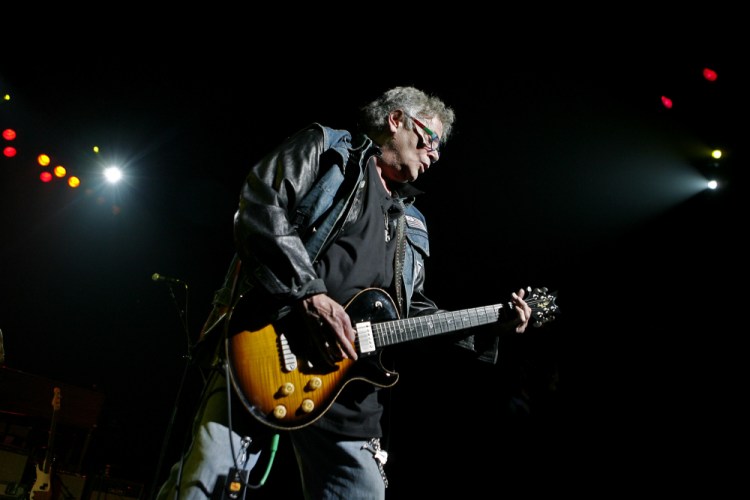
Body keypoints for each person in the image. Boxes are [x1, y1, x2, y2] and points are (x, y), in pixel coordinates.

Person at [156, 86, 533, 500]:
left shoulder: (415, 223)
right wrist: (309, 294)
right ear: (397, 121)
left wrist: (492, 325)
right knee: (203, 486)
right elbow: (261, 206)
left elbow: (413, 312)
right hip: (267, 345)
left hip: (350, 390)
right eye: (432, 140)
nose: (436, 155)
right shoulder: (327, 151)